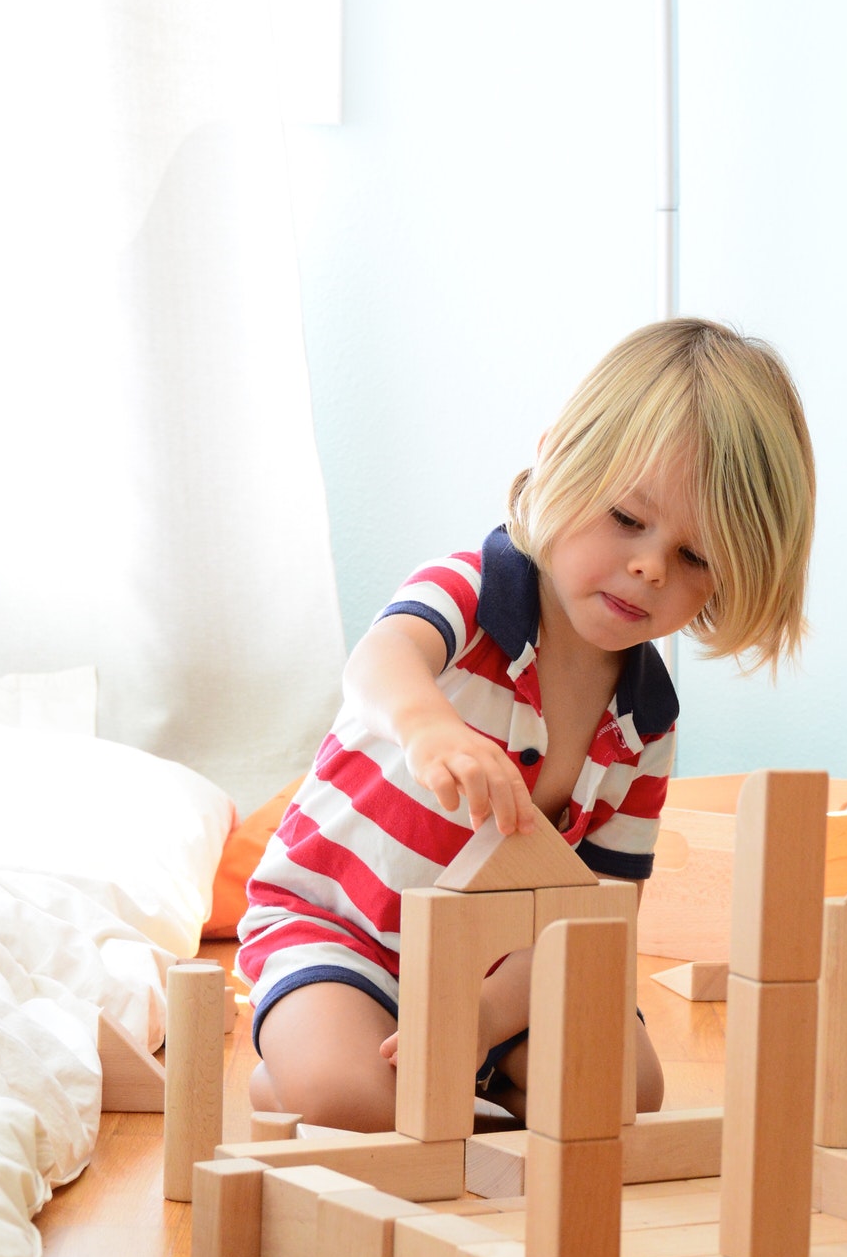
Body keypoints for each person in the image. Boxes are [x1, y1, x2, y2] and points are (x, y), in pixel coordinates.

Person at [239, 316, 815, 1131]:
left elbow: (600, 913)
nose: (650, 566)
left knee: (626, 1094)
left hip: (498, 975)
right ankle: (320, 1083)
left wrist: (477, 1018)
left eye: (694, 559)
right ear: (554, 461)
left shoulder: (644, 722)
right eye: (625, 518)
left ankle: (456, 1085)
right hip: (344, 930)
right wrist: (427, 725)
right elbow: (377, 662)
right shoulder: (472, 593)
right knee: (350, 1096)